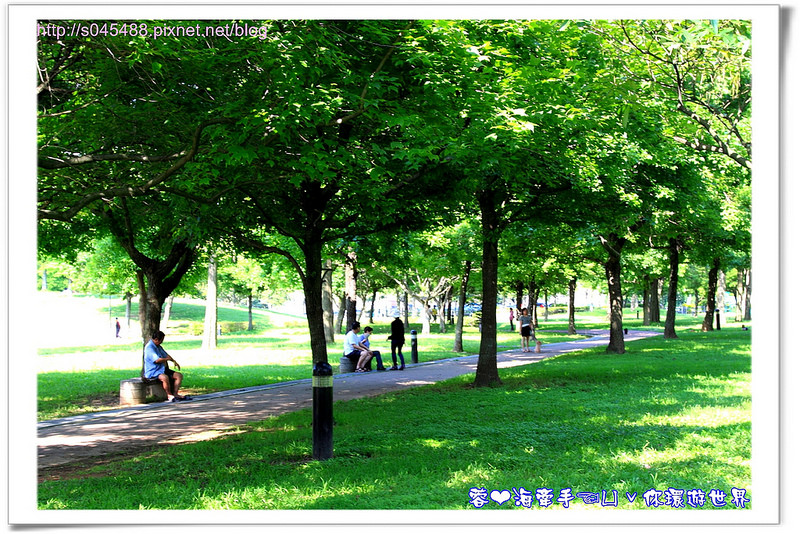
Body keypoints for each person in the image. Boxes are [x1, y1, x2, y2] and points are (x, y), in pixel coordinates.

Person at [143, 331, 191, 401]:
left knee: (178, 375)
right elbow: (157, 360)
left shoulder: (158, 346)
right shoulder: (149, 348)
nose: (162, 342)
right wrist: (167, 359)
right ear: (156, 339)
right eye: (161, 340)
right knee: (165, 377)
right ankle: (169, 395)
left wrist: (174, 361)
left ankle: (175, 393)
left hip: (162, 369)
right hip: (153, 371)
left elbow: (165, 354)